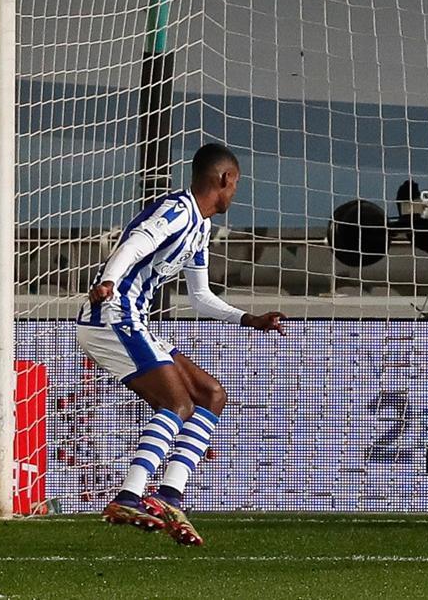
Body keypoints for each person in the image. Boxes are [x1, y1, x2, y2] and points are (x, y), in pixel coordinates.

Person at [76, 141, 286, 546]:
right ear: (224, 179)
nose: (234, 192)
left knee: (211, 395)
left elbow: (200, 297)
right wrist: (108, 281)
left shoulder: (201, 227)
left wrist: (249, 319)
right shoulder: (175, 211)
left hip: (134, 321)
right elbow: (133, 243)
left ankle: (170, 494)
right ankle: (128, 496)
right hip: (112, 318)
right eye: (235, 184)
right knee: (177, 404)